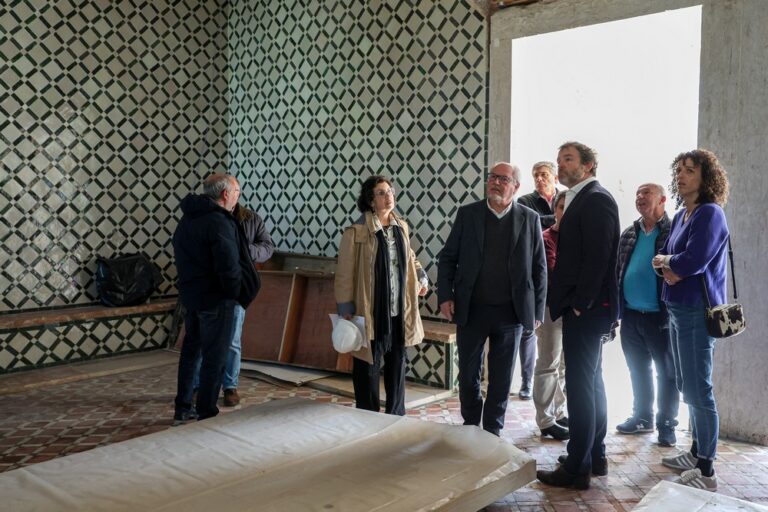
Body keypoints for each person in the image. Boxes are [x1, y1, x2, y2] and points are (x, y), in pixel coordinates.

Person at [437, 162, 547, 436]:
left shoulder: (529, 218)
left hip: (511, 312)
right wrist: (445, 296)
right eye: (492, 178)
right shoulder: (468, 214)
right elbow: (448, 258)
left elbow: (539, 267)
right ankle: (471, 424)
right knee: (468, 373)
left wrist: (537, 311)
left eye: (503, 179)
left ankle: (493, 430)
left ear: (516, 186)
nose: (496, 183)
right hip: (472, 308)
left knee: (501, 377)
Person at [537, 142, 619, 489]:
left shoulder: (596, 198)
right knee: (591, 383)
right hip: (586, 309)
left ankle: (577, 467)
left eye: (567, 159)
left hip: (586, 310)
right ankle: (593, 455)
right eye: (559, 160)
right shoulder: (579, 198)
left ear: (587, 165)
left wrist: (580, 303)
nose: (560, 165)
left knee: (582, 388)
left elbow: (599, 257)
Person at [652, 149, 730, 492]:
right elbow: (666, 259)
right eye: (680, 170)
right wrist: (669, 264)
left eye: (690, 171)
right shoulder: (684, 214)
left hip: (699, 309)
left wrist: (670, 264)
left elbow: (693, 261)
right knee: (686, 383)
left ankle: (707, 470)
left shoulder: (710, 214)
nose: (682, 175)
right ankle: (697, 451)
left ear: (705, 177)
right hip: (677, 307)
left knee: (700, 388)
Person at [334, 176, 428, 415]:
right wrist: (345, 307)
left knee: (397, 362)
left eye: (390, 191)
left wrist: (421, 275)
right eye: (381, 193)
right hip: (371, 310)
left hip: (399, 308)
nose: (389, 196)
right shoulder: (355, 232)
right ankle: (368, 415)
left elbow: (410, 257)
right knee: (368, 365)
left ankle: (396, 415)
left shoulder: (401, 226)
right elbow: (345, 273)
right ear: (370, 200)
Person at [172, 173, 260, 423]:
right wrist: (234, 294)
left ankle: (182, 409)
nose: (237, 197)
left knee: (191, 354)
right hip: (217, 300)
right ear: (225, 194)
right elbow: (229, 266)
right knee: (214, 357)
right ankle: (207, 413)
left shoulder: (188, 218)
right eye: (237, 192)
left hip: (192, 298)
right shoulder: (220, 222)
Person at [191, 203, 274, 407]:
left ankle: (230, 386)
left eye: (236, 191)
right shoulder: (206, 218)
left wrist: (245, 251)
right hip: (208, 287)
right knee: (203, 339)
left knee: (233, 340)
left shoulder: (250, 218)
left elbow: (268, 247)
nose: (234, 195)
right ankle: (197, 385)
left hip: (237, 287)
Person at [615, 184, 679, 446]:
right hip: (631, 315)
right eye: (637, 193)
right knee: (637, 368)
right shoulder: (630, 232)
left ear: (662, 199)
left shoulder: (674, 231)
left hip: (660, 317)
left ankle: (667, 425)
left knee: (667, 373)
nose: (639, 197)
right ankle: (642, 417)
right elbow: (618, 270)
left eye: (646, 193)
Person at [516, 161, 560, 400]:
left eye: (544, 175)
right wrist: (557, 218)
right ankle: (525, 381)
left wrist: (544, 219)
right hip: (532, 269)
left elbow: (540, 221)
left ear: (554, 178)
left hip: (557, 272)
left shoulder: (566, 197)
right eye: (536, 175)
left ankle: (558, 390)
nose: (539, 179)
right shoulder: (525, 201)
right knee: (528, 329)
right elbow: (529, 222)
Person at [532, 191, 569, 441]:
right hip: (549, 309)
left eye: (571, 207)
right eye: (562, 207)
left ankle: (559, 411)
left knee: (565, 365)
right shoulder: (546, 238)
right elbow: (553, 272)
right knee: (548, 364)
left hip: (572, 310)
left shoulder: (579, 238)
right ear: (555, 209)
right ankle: (545, 419)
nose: (565, 212)